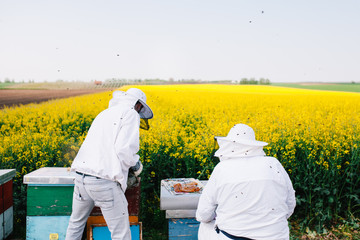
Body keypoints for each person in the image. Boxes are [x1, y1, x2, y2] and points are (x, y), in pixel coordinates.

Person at [65, 88, 153, 240]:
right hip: (103, 182)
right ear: (138, 105)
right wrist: (135, 165)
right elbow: (124, 150)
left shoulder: (104, 113)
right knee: (121, 234)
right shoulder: (130, 114)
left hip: (81, 178)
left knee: (76, 224)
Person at [196, 124, 296, 240]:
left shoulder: (222, 168)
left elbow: (203, 213)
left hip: (234, 237)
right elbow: (290, 203)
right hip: (276, 237)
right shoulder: (274, 164)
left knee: (205, 225)